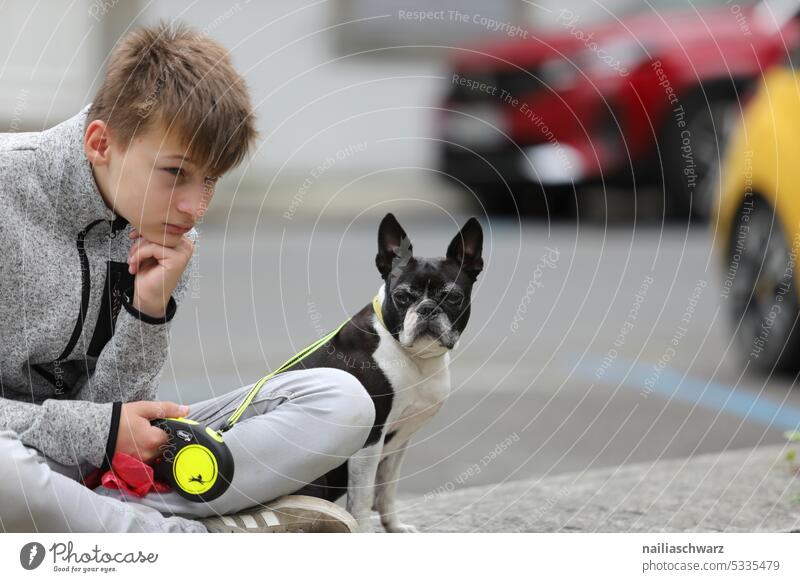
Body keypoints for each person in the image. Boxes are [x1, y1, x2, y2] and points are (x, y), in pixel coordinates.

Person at [0, 22, 375, 533]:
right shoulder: (7, 189)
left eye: (211, 180)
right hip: (19, 449)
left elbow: (125, 419)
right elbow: (104, 428)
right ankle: (190, 539)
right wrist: (99, 430)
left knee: (343, 401)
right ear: (100, 143)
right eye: (176, 173)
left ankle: (121, 527)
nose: (193, 207)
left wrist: (147, 309)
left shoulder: (164, 232)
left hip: (96, 462)